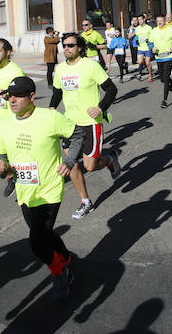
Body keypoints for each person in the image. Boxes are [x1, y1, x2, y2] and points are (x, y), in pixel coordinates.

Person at [0, 77, 82, 301]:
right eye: (9, 96)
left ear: (31, 97)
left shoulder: (50, 117)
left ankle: (60, 273)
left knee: (36, 241)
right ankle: (66, 258)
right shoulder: (4, 123)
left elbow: (78, 133)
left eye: (17, 96)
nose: (11, 100)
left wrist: (69, 161)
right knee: (45, 234)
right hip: (25, 191)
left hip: (49, 190)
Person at [51, 33, 121, 220]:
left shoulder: (91, 66)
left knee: (90, 166)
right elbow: (57, 92)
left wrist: (100, 108)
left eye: (71, 45)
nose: (66, 49)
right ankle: (85, 202)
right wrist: (50, 110)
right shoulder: (60, 69)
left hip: (91, 123)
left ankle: (110, 159)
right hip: (69, 125)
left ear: (80, 48)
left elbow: (111, 89)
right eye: (64, 45)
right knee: (71, 165)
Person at [0, 38, 26, 165]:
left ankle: (13, 181)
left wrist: (10, 96)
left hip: (12, 120)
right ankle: (11, 178)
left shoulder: (16, 72)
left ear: (8, 52)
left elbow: (25, 98)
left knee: (13, 158)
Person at [148, 15, 172, 108]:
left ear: (164, 21)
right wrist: (152, 48)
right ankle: (171, 81)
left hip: (168, 56)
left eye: (161, 21)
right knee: (162, 79)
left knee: (166, 78)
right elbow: (150, 43)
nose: (159, 22)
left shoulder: (170, 30)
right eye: (158, 21)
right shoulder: (153, 31)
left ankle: (164, 100)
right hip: (159, 57)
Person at [133, 14, 154, 82]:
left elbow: (152, 37)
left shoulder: (149, 28)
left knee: (148, 63)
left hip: (147, 48)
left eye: (141, 19)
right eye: (138, 20)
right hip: (140, 48)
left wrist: (148, 40)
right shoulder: (137, 28)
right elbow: (137, 36)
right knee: (140, 61)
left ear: (144, 19)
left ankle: (150, 75)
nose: (139, 21)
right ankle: (144, 66)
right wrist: (136, 41)